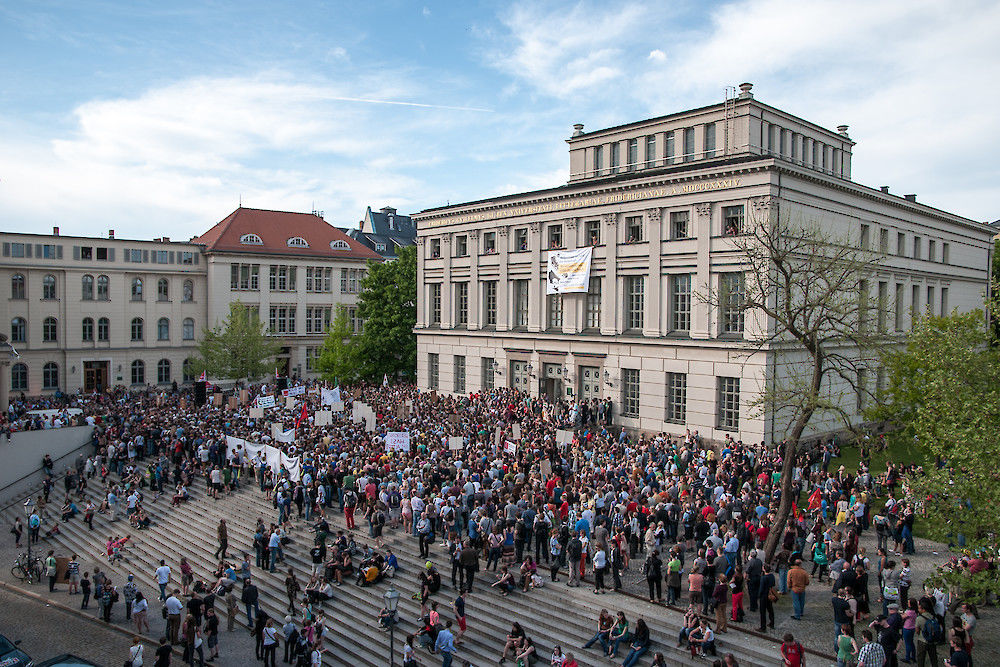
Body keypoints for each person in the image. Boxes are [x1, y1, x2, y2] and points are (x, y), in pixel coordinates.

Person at [915, 599, 940, 667]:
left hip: (922, 640)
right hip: (932, 640)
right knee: (933, 657)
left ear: (923, 609)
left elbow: (917, 630)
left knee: (921, 658)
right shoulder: (934, 617)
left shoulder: (919, 618)